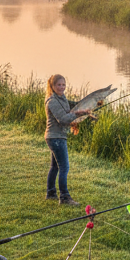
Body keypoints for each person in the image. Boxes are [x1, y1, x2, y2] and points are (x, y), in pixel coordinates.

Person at [44, 74, 90, 206]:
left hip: (56, 137)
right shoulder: (52, 101)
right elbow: (63, 119)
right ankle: (64, 197)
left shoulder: (61, 98)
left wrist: (85, 110)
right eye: (59, 85)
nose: (61, 87)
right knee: (64, 167)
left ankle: (51, 193)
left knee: (55, 166)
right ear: (52, 86)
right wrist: (76, 114)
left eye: (63, 84)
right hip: (56, 137)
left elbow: (73, 106)